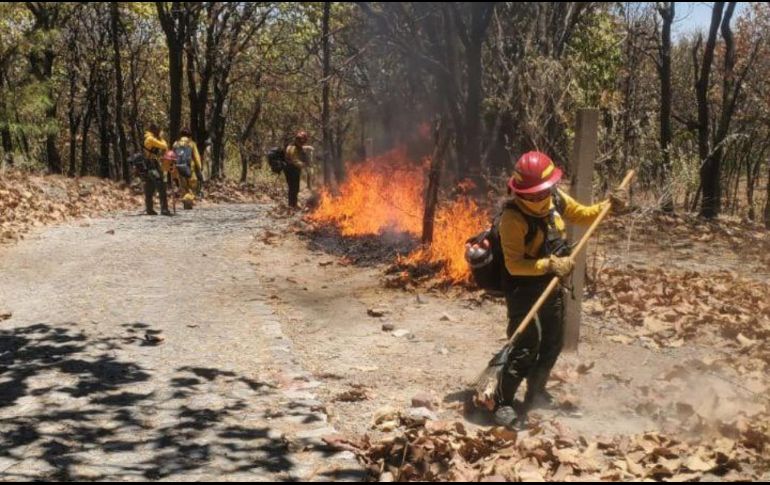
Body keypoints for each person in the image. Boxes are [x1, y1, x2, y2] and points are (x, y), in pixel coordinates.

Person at [494, 151, 627, 427]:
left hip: (552, 284)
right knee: (525, 346)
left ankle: (536, 392)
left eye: (541, 192)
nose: (537, 198)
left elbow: (583, 214)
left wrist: (609, 205)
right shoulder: (512, 219)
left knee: (553, 342)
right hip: (523, 288)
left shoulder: (555, 198)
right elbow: (514, 265)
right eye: (530, 195)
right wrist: (550, 264)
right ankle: (502, 401)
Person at [143, 124, 171, 216]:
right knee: (161, 186)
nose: (159, 132)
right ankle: (164, 209)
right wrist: (161, 138)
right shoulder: (150, 139)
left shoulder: (148, 137)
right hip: (152, 165)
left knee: (149, 187)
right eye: (158, 130)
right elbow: (164, 145)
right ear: (154, 130)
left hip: (148, 164)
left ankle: (149, 209)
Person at [173, 128, 204, 208]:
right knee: (193, 187)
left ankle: (187, 204)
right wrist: (199, 168)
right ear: (190, 135)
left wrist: (174, 171)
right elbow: (196, 157)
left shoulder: (175, 144)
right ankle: (186, 199)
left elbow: (173, 157)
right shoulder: (191, 143)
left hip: (179, 168)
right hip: (190, 168)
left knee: (184, 187)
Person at [284, 131, 314, 209]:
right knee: (293, 188)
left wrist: (308, 147)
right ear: (299, 140)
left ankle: (293, 204)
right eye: (302, 141)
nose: (303, 143)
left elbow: (301, 148)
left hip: (292, 169)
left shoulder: (294, 146)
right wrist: (304, 165)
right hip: (291, 169)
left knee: (294, 187)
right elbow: (295, 161)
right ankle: (292, 205)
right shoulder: (293, 148)